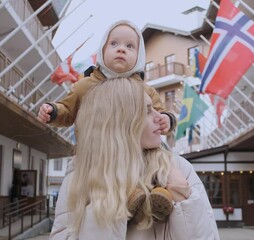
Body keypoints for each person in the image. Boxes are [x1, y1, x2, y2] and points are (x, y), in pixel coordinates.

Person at [38, 19, 177, 220]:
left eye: (130, 46)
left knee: (155, 162)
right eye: (114, 44)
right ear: (102, 49)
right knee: (107, 174)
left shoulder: (144, 90)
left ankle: (158, 195)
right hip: (98, 151)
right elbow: (68, 109)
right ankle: (133, 196)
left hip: (135, 150)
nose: (121, 49)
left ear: (139, 56)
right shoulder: (86, 85)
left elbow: (160, 112)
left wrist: (166, 120)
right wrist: (53, 111)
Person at [50, 78, 219, 239]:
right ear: (119, 121)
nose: (159, 117)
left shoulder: (179, 167)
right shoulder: (81, 173)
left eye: (154, 108)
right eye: (147, 111)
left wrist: (182, 194)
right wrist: (107, 200)